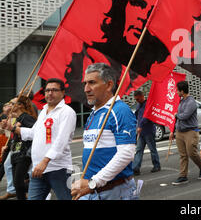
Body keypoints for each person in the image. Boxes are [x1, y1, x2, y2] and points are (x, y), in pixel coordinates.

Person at [64, 0, 171, 104]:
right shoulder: (87, 55)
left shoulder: (145, 68)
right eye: (138, 4)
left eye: (150, 12)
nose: (144, 17)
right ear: (122, 5)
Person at [71, 63, 138, 200]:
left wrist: (93, 183)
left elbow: (126, 154)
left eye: (92, 83)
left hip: (114, 191)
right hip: (93, 191)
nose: (86, 89)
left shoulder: (120, 111)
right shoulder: (93, 114)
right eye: (85, 83)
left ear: (108, 85)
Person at [12, 78, 76, 200]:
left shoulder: (67, 112)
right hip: (38, 168)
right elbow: (33, 133)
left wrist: (45, 161)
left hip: (58, 169)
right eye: (47, 90)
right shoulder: (43, 111)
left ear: (63, 93)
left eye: (54, 90)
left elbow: (61, 141)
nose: (50, 93)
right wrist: (12, 128)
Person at [0, 95, 37, 200]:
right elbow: (13, 136)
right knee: (18, 185)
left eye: (12, 103)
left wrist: (17, 128)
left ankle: (42, 186)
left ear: (20, 105)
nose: (10, 105)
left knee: (18, 183)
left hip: (24, 153)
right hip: (15, 152)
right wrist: (7, 146)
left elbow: (35, 133)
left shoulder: (26, 117)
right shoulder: (16, 119)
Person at [171, 81, 201, 185]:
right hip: (180, 132)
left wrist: (177, 115)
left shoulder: (191, 102)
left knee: (192, 153)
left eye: (177, 90)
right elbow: (178, 117)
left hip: (190, 131)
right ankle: (183, 176)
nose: (176, 92)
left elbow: (185, 116)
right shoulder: (181, 101)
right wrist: (173, 131)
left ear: (182, 91)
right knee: (183, 155)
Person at [132, 90, 161, 175]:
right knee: (139, 150)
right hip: (141, 132)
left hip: (148, 130)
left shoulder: (149, 104)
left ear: (142, 96)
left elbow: (147, 116)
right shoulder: (138, 105)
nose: (137, 101)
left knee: (152, 149)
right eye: (136, 100)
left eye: (138, 99)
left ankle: (157, 165)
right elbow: (137, 116)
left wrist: (140, 125)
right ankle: (136, 168)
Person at [0, 101, 16, 200]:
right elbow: (4, 131)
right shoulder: (6, 116)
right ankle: (13, 190)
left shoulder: (16, 117)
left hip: (15, 144)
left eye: (11, 104)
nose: (9, 106)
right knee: (6, 164)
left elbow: (13, 131)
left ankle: (13, 190)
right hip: (8, 144)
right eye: (7, 104)